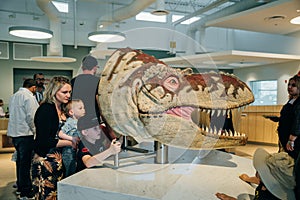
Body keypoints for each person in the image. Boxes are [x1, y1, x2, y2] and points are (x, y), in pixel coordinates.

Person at [31, 76, 73, 200]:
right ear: (54, 92)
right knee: (47, 195)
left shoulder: (63, 108)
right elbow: (43, 141)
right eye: (64, 92)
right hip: (46, 160)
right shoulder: (46, 110)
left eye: (70, 92)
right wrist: (69, 142)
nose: (68, 95)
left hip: (61, 159)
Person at [216, 148, 296, 200]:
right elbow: (259, 181)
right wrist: (248, 179)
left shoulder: (269, 198)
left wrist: (231, 199)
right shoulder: (268, 184)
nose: (256, 175)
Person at [7, 78, 39, 200]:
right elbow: (31, 117)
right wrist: (36, 132)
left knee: (20, 162)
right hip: (26, 134)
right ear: (33, 88)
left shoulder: (14, 96)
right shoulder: (29, 97)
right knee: (25, 164)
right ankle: (26, 191)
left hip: (15, 134)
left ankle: (21, 186)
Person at [58, 99, 85, 177]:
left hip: (75, 150)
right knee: (70, 171)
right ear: (71, 112)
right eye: (80, 108)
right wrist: (72, 138)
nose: (83, 110)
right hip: (68, 152)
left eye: (83, 108)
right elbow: (60, 133)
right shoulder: (70, 122)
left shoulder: (79, 122)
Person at [71, 55, 101, 121]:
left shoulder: (73, 81)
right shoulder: (99, 82)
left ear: (82, 67)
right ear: (95, 67)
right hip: (93, 118)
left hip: (76, 117)